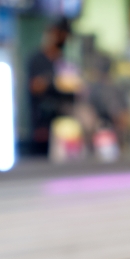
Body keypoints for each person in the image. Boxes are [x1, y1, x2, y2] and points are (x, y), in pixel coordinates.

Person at [25, 18, 75, 157]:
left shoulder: (64, 61)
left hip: (64, 126)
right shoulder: (36, 60)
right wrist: (53, 81)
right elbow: (35, 87)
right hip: (42, 125)